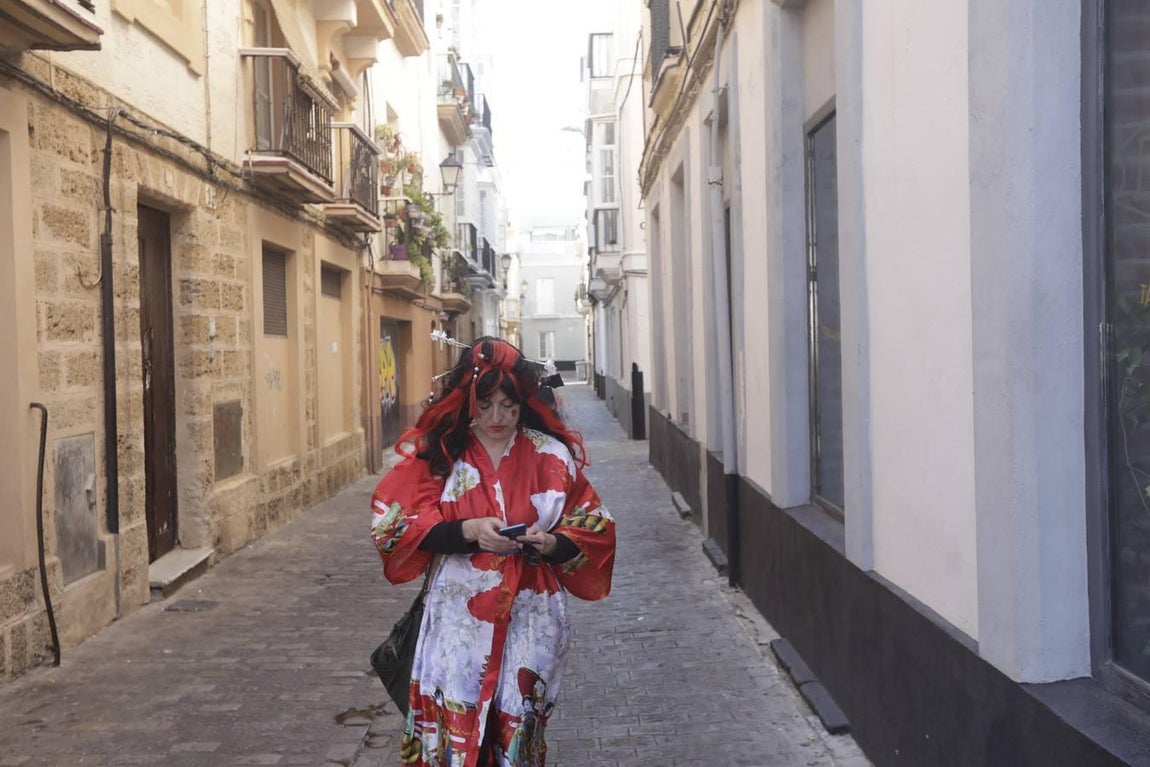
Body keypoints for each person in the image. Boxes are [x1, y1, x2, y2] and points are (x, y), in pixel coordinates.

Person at [369, 336, 616, 767]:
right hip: (457, 617)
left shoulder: (552, 458)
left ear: (523, 402)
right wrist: (468, 531)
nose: (497, 417)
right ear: (468, 402)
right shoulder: (443, 455)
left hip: (532, 614)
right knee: (458, 726)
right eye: (485, 405)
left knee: (517, 727)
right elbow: (393, 525)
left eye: (508, 405)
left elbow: (595, 528)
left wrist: (551, 542)